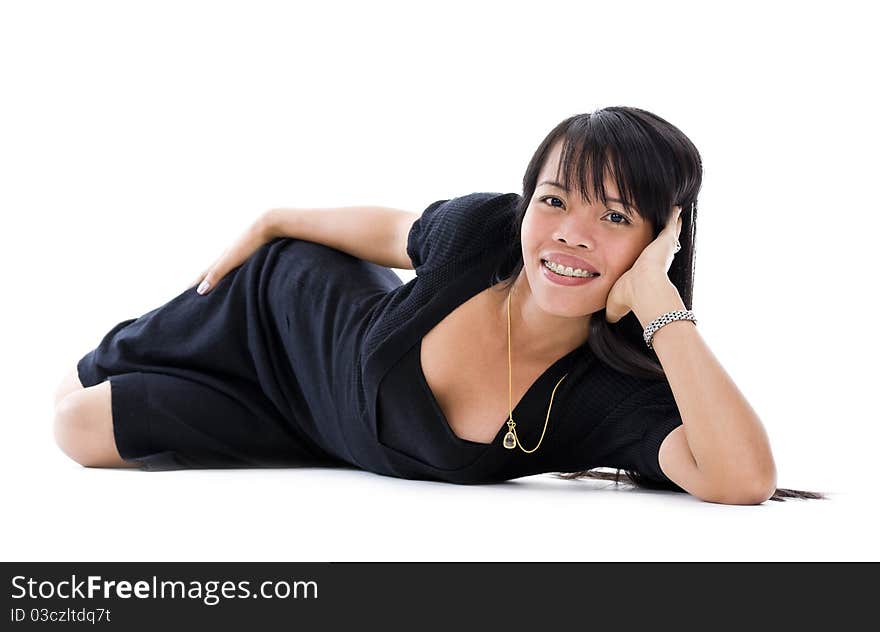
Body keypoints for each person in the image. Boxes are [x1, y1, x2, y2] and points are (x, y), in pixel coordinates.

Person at [53, 106, 826, 504]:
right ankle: (108, 353)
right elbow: (391, 230)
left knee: (82, 432)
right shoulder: (480, 233)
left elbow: (742, 481)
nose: (571, 235)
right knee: (72, 403)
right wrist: (274, 221)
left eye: (616, 217)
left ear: (662, 240)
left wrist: (660, 304)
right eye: (554, 200)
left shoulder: (614, 396)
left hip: (310, 429)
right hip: (287, 311)